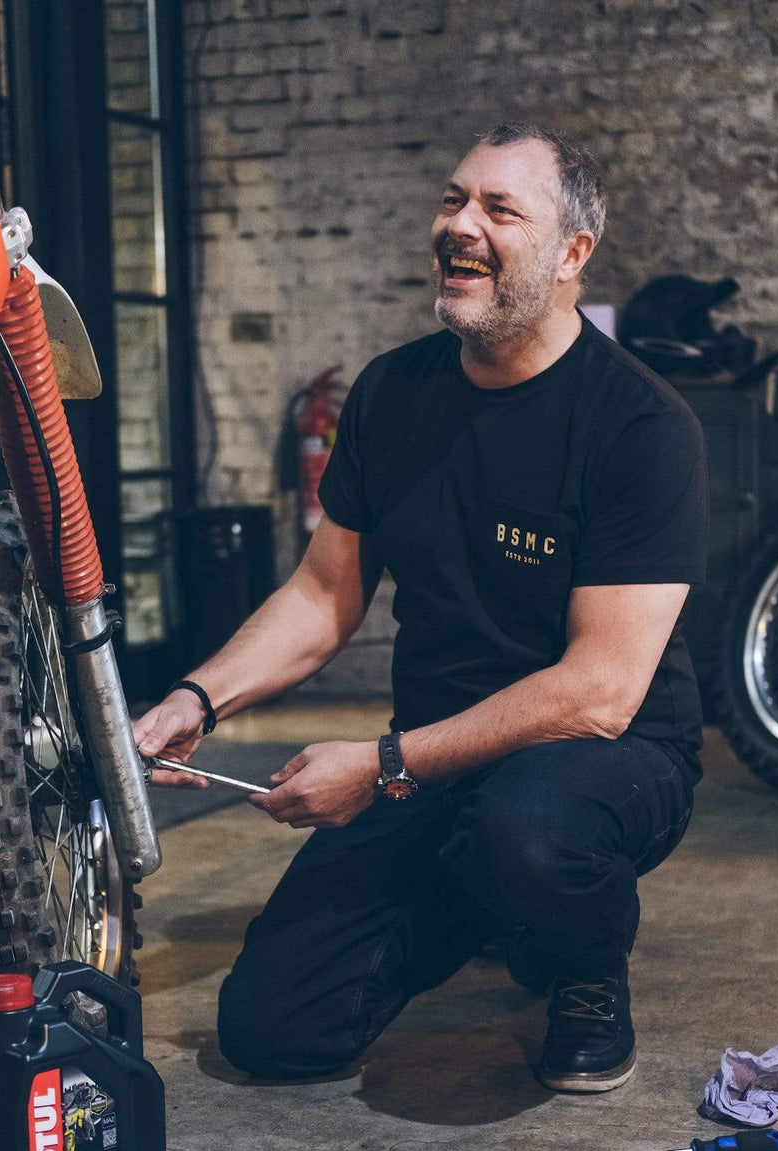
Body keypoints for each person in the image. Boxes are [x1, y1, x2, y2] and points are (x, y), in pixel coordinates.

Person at [133, 122, 709, 1094]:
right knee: (273, 1030)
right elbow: (325, 594)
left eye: (499, 208)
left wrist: (382, 763)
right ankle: (495, 898)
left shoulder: (643, 426)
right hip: (435, 758)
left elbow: (601, 690)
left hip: (606, 760)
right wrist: (198, 698)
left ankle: (582, 963)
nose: (459, 225)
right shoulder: (392, 395)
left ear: (573, 254)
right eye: (452, 199)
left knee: (531, 832)